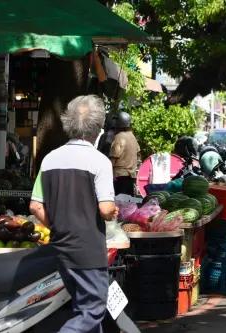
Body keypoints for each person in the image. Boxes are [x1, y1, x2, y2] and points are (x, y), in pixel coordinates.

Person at [29, 95, 118, 333]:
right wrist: (114, 212)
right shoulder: (99, 161)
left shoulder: (49, 160)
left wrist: (58, 224)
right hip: (88, 251)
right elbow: (106, 208)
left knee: (84, 309)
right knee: (92, 310)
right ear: (98, 128)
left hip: (61, 249)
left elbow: (35, 206)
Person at [109, 111, 140, 196]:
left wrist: (109, 174)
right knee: (128, 204)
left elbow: (113, 158)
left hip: (119, 177)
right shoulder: (133, 137)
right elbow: (138, 155)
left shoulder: (119, 137)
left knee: (119, 205)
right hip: (131, 177)